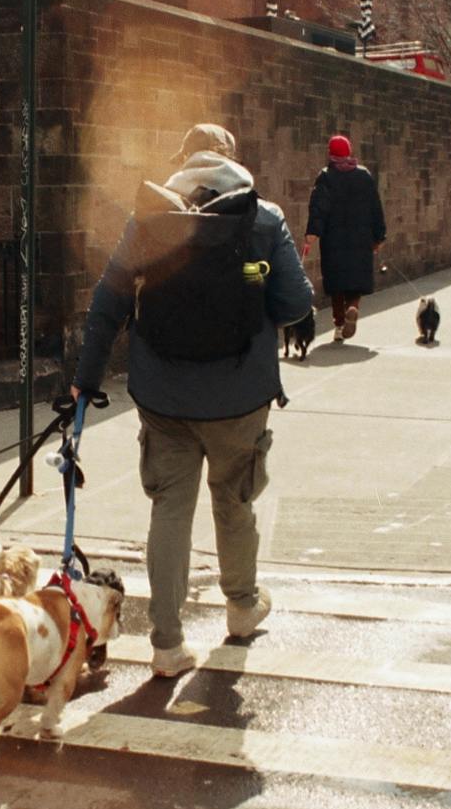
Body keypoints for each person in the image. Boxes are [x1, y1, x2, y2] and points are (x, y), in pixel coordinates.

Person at [71, 123, 314, 677]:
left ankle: (166, 643)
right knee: (234, 501)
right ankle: (242, 607)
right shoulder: (263, 218)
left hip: (164, 397)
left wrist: (84, 380)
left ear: (183, 160)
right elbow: (298, 302)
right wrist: (253, 287)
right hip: (240, 397)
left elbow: (107, 303)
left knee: (170, 511)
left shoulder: (149, 219)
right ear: (233, 160)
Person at [302, 134, 386, 342]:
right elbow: (376, 208)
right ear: (349, 152)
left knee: (337, 282)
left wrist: (312, 233)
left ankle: (339, 325)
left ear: (331, 154)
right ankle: (353, 307)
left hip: (334, 240)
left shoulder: (326, 176)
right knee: (356, 279)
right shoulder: (364, 176)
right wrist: (379, 235)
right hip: (360, 238)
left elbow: (318, 208)